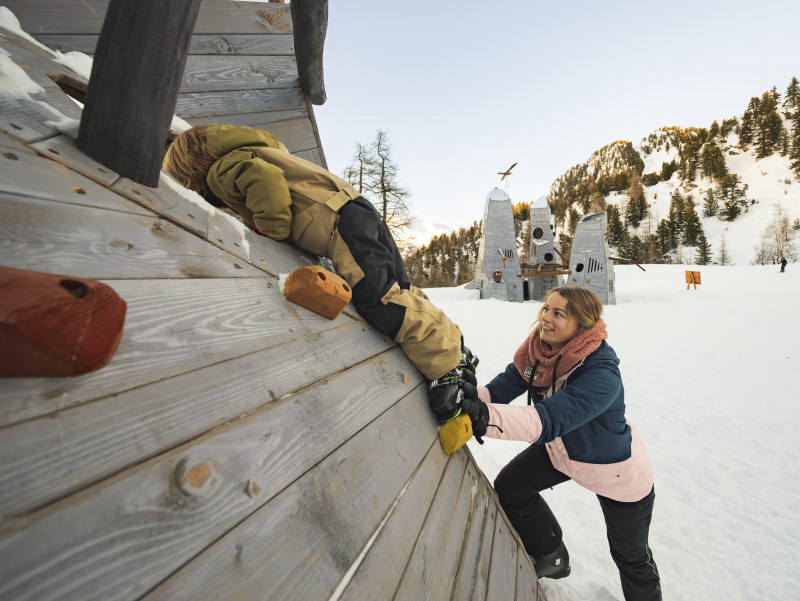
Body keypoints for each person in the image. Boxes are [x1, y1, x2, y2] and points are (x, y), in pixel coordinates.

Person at [162, 124, 477, 396]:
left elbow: (266, 184)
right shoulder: (253, 149)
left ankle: (446, 367)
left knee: (379, 301)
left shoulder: (222, 170)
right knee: (398, 290)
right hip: (355, 210)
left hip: (340, 222)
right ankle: (453, 345)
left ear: (191, 173)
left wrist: (267, 229)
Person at [449, 286, 661, 601]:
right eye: (547, 308)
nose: (546, 317)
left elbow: (546, 420)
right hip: (562, 451)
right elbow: (503, 387)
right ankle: (551, 557)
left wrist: (481, 418)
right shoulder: (539, 353)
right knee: (511, 486)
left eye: (558, 313)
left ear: (583, 324)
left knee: (631, 556)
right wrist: (466, 398)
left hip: (615, 473)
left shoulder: (601, 374)